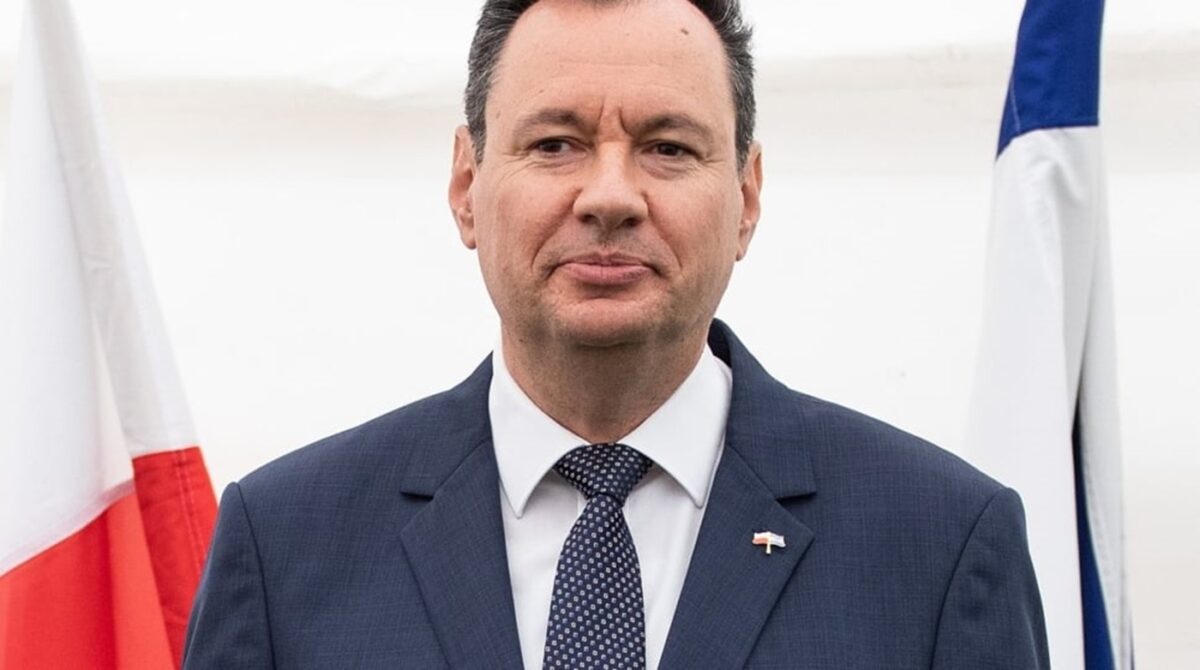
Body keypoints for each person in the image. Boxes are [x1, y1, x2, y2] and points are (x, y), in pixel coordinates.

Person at [183, 0, 1049, 667]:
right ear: (466, 186)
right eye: (555, 144)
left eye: (668, 148)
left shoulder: (939, 545)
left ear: (746, 198)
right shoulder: (286, 542)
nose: (609, 196)